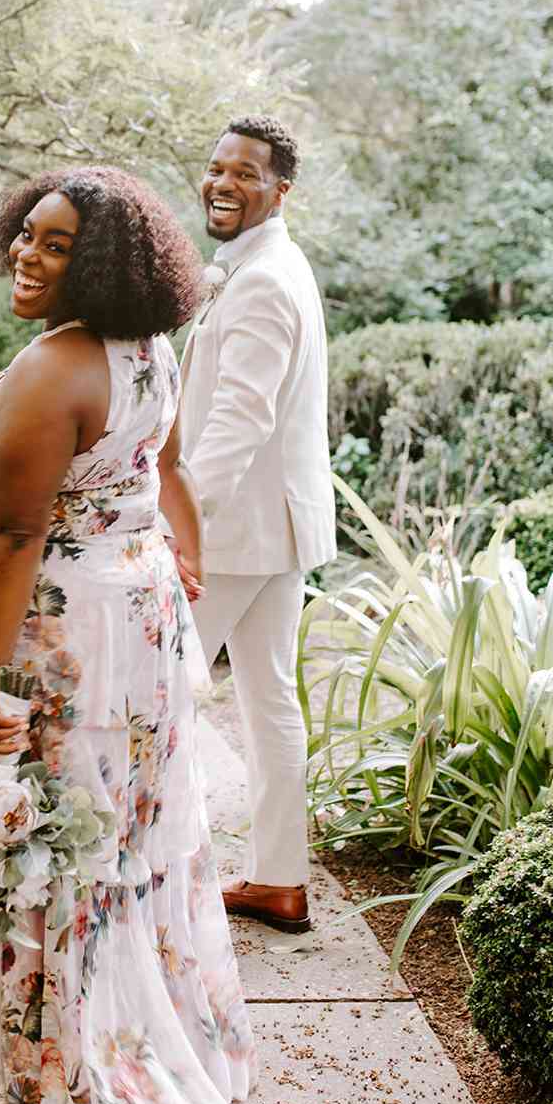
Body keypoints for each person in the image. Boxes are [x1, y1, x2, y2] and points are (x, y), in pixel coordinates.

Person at [0, 166, 266, 1104]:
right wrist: (182, 557)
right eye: (26, 232)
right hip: (141, 623)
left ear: (105, 261)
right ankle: (132, 1041)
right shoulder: (147, 352)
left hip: (60, 635)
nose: (27, 252)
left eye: (57, 243)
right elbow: (165, 474)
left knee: (52, 838)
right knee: (125, 836)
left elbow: (17, 529)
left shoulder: (50, 368)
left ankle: (58, 1082)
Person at [178, 115, 336, 935]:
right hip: (273, 525)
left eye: (245, 172)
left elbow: (240, 415)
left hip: (232, 530)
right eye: (215, 168)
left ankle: (158, 874)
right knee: (269, 699)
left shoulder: (266, 278)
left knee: (158, 690)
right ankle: (278, 880)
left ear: (281, 190)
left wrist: (178, 521)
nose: (223, 182)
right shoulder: (265, 267)